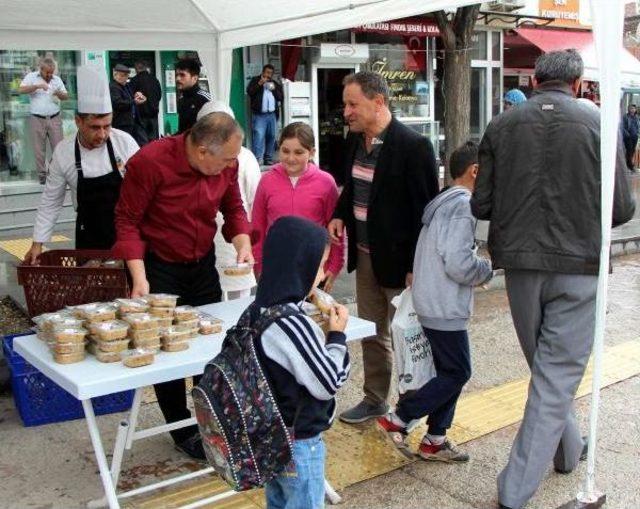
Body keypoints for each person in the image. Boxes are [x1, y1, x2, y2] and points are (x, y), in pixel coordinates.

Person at [470, 49, 635, 509]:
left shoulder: (501, 126)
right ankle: (514, 491)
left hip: (521, 267)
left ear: (537, 80)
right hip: (579, 266)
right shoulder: (599, 123)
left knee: (548, 374)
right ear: (578, 83)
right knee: (556, 375)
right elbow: (622, 208)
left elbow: (479, 205)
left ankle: (567, 450)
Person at [112, 112, 253, 460]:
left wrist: (243, 242)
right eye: (228, 159)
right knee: (167, 350)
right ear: (203, 151)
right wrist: (139, 276)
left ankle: (212, 416)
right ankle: (180, 426)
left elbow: (233, 207)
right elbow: (126, 220)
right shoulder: (151, 162)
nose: (233, 165)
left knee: (211, 343)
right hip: (159, 267)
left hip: (201, 262)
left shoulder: (226, 163)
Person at [328, 71, 440, 424]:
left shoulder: (413, 146)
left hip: (400, 261)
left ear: (378, 102)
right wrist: (339, 214)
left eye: (352, 104)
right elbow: (353, 186)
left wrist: (415, 266)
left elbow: (426, 213)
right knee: (372, 332)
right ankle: (375, 399)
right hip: (365, 255)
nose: (346, 112)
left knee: (407, 335)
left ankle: (411, 406)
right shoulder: (355, 140)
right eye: (346, 104)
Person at [378, 141, 492, 463]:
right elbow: (458, 264)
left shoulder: (442, 202)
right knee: (457, 371)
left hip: (432, 301)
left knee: (449, 371)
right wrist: (485, 268)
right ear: (476, 171)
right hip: (444, 306)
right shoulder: (463, 206)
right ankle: (398, 420)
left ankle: (435, 438)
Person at [252, 215, 350, 509]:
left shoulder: (257, 309)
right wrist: (336, 337)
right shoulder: (292, 323)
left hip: (269, 436)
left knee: (279, 502)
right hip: (299, 443)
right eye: (319, 266)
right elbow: (328, 382)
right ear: (300, 265)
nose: (321, 275)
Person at [24, 66, 138, 263]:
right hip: (89, 235)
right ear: (78, 121)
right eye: (95, 127)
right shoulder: (64, 152)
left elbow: (146, 187)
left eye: (107, 126)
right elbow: (51, 200)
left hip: (126, 233)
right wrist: (37, 242)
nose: (102, 135)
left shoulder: (124, 142)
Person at [251, 122, 344, 291]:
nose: (291, 158)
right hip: (276, 267)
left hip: (315, 269)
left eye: (299, 152)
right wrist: (258, 264)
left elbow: (336, 229)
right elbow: (258, 226)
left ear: (312, 153)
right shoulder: (266, 181)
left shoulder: (326, 182)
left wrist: (335, 265)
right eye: (285, 151)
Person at [196, 100, 261, 299]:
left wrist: (248, 241)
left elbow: (251, 199)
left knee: (236, 297)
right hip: (204, 242)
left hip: (234, 239)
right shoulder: (194, 156)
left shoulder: (245, 157)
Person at [18, 57, 69, 184]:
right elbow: (21, 90)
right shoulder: (31, 77)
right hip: (37, 118)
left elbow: (66, 96)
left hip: (54, 117)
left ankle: (55, 173)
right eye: (47, 72)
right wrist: (37, 86)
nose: (50, 75)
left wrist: (57, 92)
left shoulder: (56, 80)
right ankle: (42, 175)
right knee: (39, 149)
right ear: (41, 69)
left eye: (52, 72)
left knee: (58, 148)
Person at [246, 64, 283, 165]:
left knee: (271, 136)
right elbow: (250, 92)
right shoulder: (255, 80)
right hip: (259, 115)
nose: (268, 75)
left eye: (270, 73)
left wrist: (274, 89)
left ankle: (268, 158)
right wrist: (259, 83)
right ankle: (257, 159)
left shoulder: (274, 83)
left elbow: (280, 97)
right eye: (267, 72)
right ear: (263, 72)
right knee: (259, 135)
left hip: (272, 115)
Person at [109, 63, 148, 146]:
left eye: (127, 76)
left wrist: (137, 95)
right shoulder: (113, 87)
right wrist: (134, 101)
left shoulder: (126, 86)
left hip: (133, 122)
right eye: (123, 76)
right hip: (122, 124)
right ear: (115, 75)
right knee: (125, 145)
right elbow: (117, 103)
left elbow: (130, 98)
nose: (125, 78)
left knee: (141, 143)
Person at [175, 58, 211, 134]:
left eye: (182, 75)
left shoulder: (205, 99)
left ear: (194, 78)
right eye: (176, 75)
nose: (177, 79)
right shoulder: (181, 100)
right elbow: (184, 130)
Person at [130, 60, 162, 141]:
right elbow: (159, 95)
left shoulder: (134, 80)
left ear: (136, 68)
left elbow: (130, 97)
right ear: (146, 68)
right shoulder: (155, 80)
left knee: (142, 141)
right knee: (154, 141)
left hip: (140, 116)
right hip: (153, 115)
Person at [622, 103, 639, 171]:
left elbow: (638, 126)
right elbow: (622, 127)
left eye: (634, 108)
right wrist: (627, 134)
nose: (632, 110)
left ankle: (627, 164)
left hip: (635, 137)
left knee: (632, 151)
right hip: (628, 137)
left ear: (635, 110)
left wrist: (637, 133)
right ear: (628, 109)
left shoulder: (637, 117)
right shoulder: (625, 117)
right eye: (631, 108)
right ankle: (630, 166)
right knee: (629, 150)